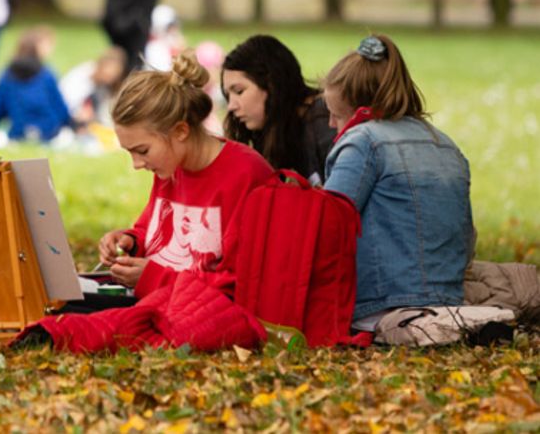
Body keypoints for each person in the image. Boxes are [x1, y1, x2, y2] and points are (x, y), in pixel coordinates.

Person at [322, 34, 475, 333]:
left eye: (336, 115)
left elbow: (328, 226)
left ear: (361, 113)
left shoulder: (363, 141)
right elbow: (467, 238)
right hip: (450, 299)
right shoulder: (445, 143)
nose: (329, 124)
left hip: (382, 306)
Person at [97, 52, 275, 293]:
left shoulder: (245, 174)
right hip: (159, 302)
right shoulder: (170, 166)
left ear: (180, 131)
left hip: (202, 316)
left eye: (142, 150)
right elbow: (151, 231)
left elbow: (239, 283)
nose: (137, 164)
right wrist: (130, 242)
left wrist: (154, 278)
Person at [221, 35, 336, 184]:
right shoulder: (277, 130)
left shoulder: (327, 124)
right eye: (227, 95)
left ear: (272, 84)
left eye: (239, 91)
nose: (231, 106)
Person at [0, 26, 71, 143]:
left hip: (18, 130)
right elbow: (59, 107)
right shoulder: (46, 74)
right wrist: (71, 125)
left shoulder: (7, 74)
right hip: (48, 131)